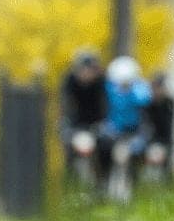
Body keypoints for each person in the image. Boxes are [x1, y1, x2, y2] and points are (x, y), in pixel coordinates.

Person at [97, 56, 151, 180]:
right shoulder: (108, 89)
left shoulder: (140, 90)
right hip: (113, 132)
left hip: (134, 132)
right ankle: (103, 182)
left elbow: (144, 100)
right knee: (104, 150)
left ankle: (135, 182)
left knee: (137, 154)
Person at [59, 49, 108, 181]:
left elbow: (105, 107)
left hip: (95, 125)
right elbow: (65, 107)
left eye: (91, 69)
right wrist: (67, 126)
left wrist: (101, 125)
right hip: (75, 125)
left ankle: (102, 183)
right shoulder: (69, 82)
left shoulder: (102, 83)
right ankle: (70, 182)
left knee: (105, 148)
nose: (86, 73)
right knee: (68, 150)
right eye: (83, 69)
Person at [144, 71, 174, 183]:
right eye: (154, 88)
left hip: (167, 143)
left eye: (159, 87)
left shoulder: (171, 104)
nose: (157, 91)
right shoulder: (148, 106)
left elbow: (171, 129)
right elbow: (146, 128)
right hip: (152, 143)